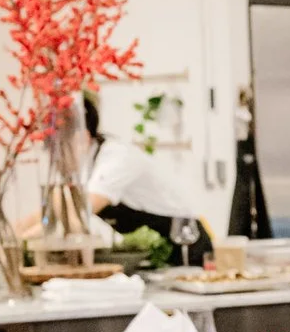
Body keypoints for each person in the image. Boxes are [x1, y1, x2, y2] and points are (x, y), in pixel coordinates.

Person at [84, 95, 211, 263]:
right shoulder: (84, 162)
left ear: (84, 135)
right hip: (150, 253)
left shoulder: (117, 157)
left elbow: (85, 209)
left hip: (182, 244)